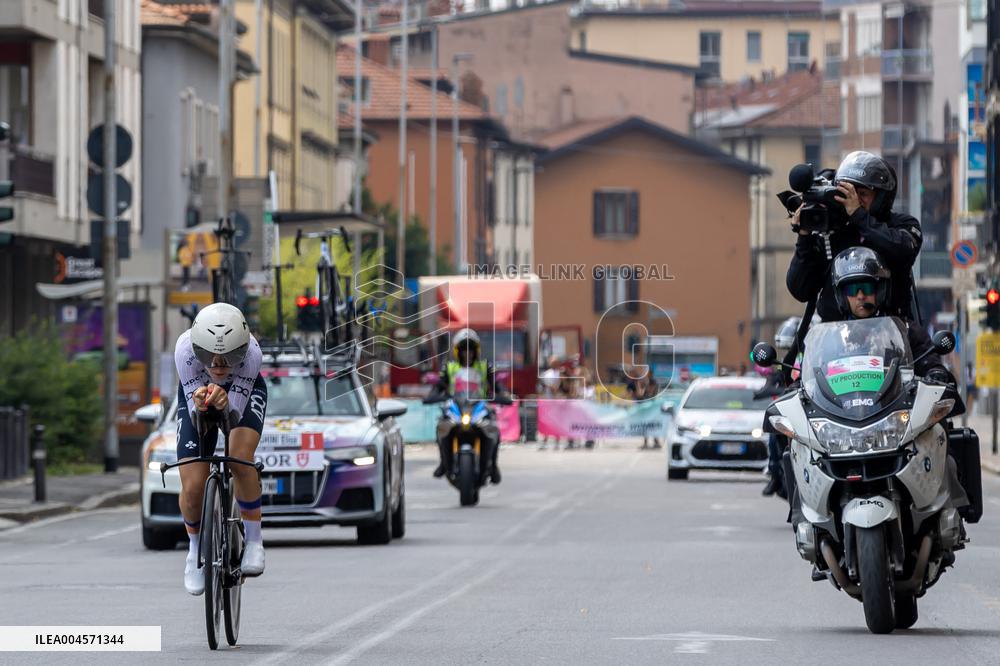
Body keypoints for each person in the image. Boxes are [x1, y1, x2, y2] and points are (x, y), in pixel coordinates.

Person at [174, 303, 267, 595]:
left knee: (239, 458)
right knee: (192, 486)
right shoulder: (185, 351)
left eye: (229, 356)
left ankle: (254, 541)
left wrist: (226, 403)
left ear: (242, 349)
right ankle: (194, 552)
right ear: (196, 347)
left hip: (243, 392)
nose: (217, 363)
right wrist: (199, 405)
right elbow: (196, 417)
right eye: (210, 356)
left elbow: (233, 418)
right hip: (198, 392)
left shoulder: (252, 355)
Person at [787, 151, 922, 323]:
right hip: (835, 339)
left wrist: (859, 216)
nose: (854, 200)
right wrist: (804, 237)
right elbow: (800, 290)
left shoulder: (902, 224)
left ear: (881, 198)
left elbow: (902, 250)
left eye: (863, 194)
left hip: (891, 335)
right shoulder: (831, 230)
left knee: (928, 348)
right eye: (849, 193)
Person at [425, 328, 508, 483]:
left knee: (493, 430)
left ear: (476, 351)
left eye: (471, 350)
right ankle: (444, 462)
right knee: (441, 428)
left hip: (479, 407)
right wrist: (431, 396)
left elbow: (497, 385)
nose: (467, 353)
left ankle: (493, 465)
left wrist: (504, 395)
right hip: (456, 407)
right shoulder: (450, 367)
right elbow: (439, 386)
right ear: (458, 351)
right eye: (464, 350)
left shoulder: (485, 366)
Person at [758, 316, 800, 497]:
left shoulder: (819, 357)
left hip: (812, 406)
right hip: (789, 408)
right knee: (774, 431)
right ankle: (775, 473)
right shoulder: (785, 361)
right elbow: (769, 380)